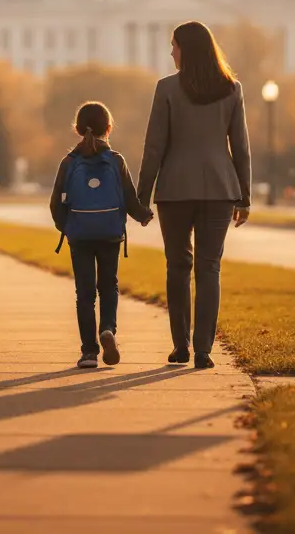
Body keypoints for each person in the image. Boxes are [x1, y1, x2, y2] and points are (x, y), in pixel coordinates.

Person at [136, 21, 251, 370]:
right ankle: (203, 351)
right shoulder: (232, 90)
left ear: (187, 49)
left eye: (174, 45)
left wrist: (141, 197)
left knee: (178, 266)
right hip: (220, 189)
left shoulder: (167, 89)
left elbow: (154, 147)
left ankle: (180, 345)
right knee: (209, 268)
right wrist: (244, 197)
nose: (171, 51)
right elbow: (241, 148)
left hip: (174, 189)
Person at [50, 101, 154, 369]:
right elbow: (130, 199)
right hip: (109, 234)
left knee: (84, 293)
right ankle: (107, 328)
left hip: (80, 236)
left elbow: (55, 204)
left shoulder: (69, 162)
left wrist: (68, 227)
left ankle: (88, 352)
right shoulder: (116, 161)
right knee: (108, 286)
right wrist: (143, 215)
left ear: (77, 129)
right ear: (109, 128)